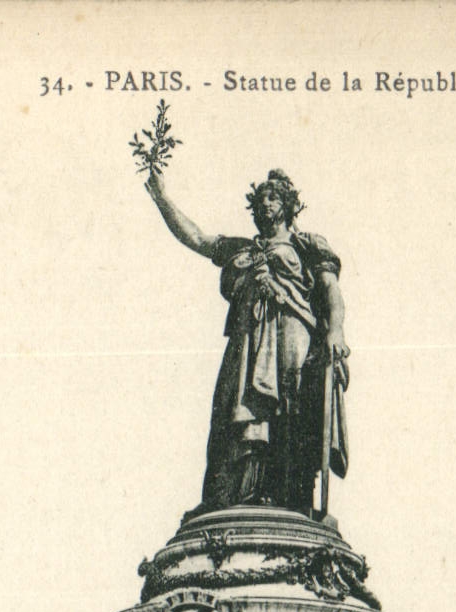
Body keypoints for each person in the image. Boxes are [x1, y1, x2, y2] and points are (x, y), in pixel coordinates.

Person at [145, 166, 349, 516]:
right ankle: (233, 495)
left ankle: (291, 498)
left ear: (287, 204)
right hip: (247, 340)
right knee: (234, 409)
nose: (263, 205)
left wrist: (335, 330)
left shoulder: (306, 245)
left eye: (272, 197)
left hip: (292, 334)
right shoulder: (241, 248)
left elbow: (331, 292)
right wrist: (162, 199)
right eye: (259, 199)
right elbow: (197, 238)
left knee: (290, 409)